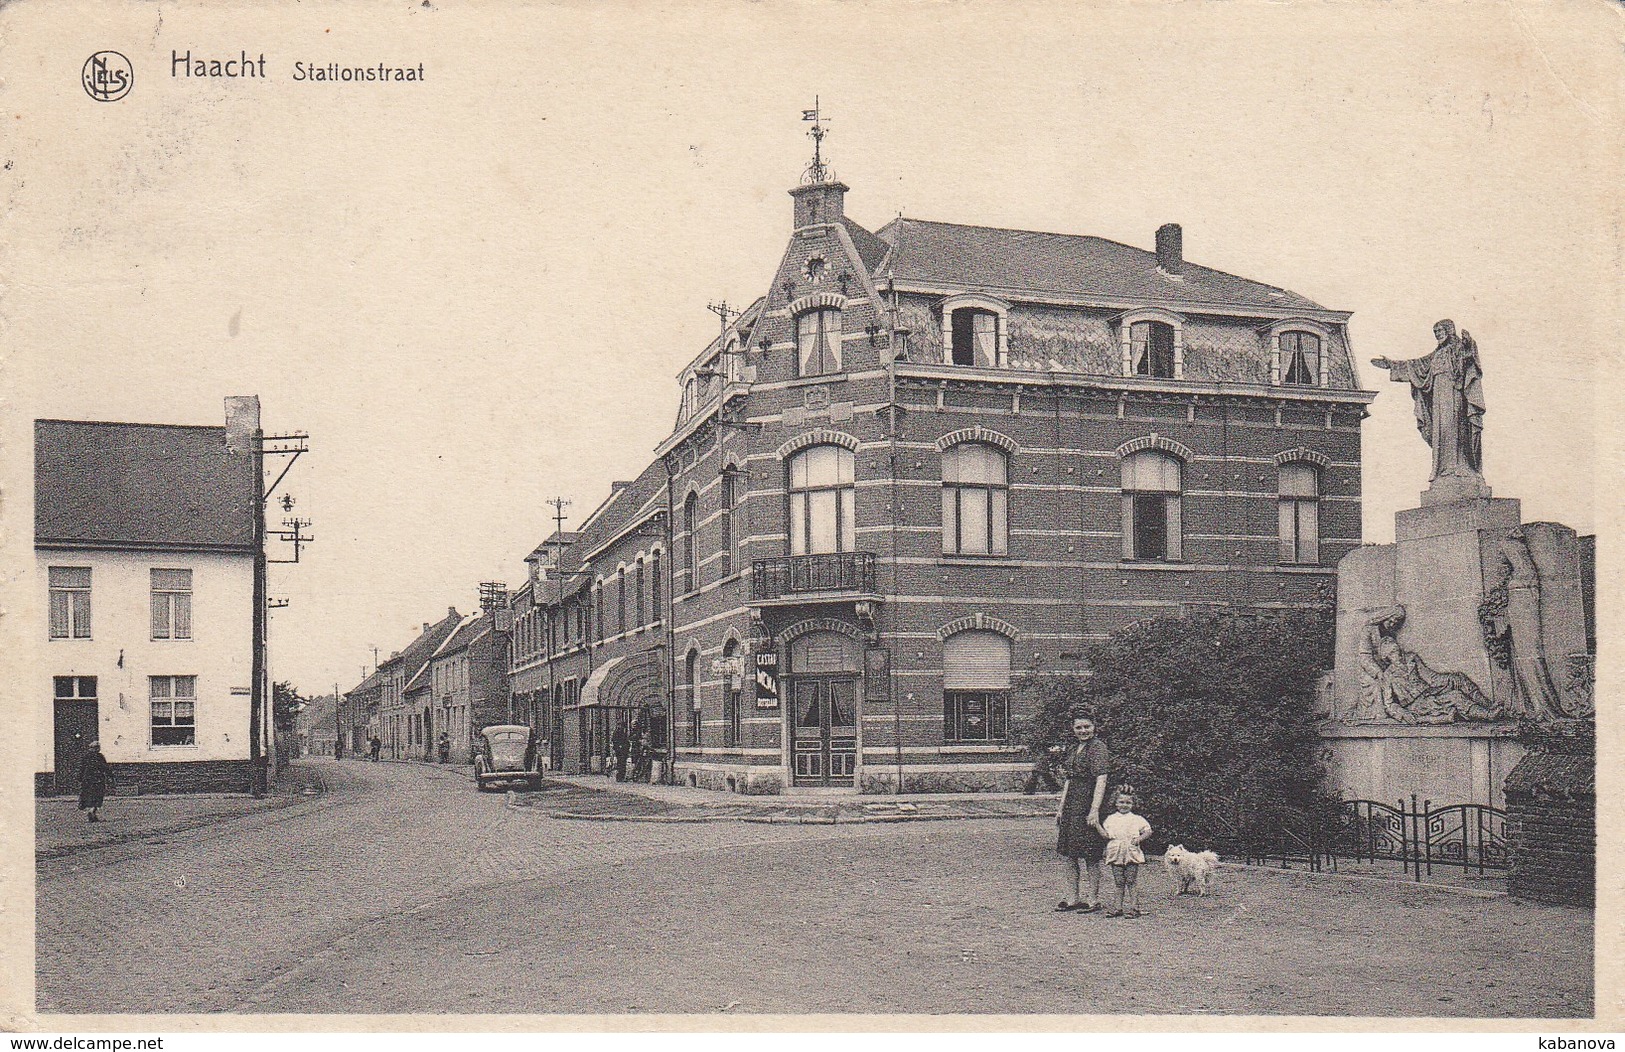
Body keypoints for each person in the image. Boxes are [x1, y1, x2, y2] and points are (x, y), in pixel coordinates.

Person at [1054, 713, 1111, 913]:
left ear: (1094, 726)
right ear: (1073, 728)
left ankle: (1093, 900)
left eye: (1087, 726)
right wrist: (1061, 807)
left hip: (1088, 803)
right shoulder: (1073, 748)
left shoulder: (1098, 748)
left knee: (1090, 854)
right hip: (1072, 805)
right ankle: (1072, 898)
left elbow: (1101, 779)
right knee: (1069, 854)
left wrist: (1094, 810)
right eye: (1079, 727)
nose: (1083, 731)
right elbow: (1069, 779)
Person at [1101, 787, 1152, 918]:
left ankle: (1135, 908)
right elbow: (1106, 835)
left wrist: (1139, 839)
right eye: (1121, 802)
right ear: (1116, 803)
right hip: (1116, 852)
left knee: (1131, 880)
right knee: (1118, 881)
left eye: (1128, 803)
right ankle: (1118, 907)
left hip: (1131, 852)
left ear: (1133, 804)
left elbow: (1148, 830)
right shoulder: (1111, 819)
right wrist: (1096, 825)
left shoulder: (1137, 819)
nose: (1124, 805)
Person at [78, 740, 111, 823]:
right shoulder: (100, 757)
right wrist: (110, 776)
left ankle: (93, 814)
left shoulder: (86, 756)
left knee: (89, 796)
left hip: (87, 780)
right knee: (98, 796)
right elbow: (105, 768)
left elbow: (81, 768)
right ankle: (92, 811)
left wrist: (80, 778)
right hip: (98, 780)